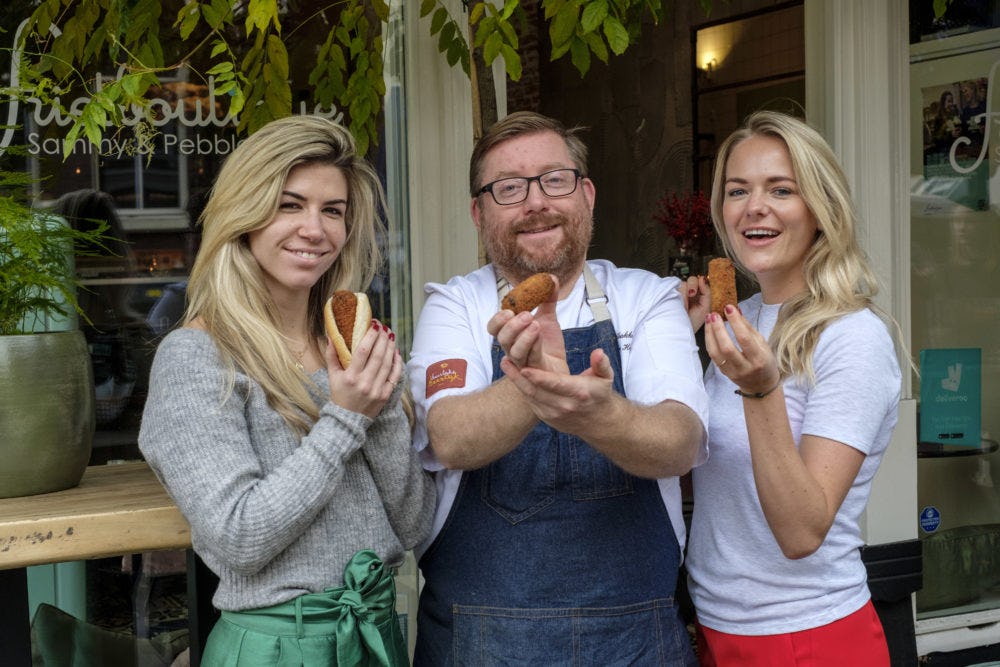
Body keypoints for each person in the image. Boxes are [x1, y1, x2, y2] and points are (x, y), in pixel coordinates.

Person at [406, 111, 709, 665]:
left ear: (586, 196)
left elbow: (679, 441)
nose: (536, 201)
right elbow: (449, 436)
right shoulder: (455, 305)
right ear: (478, 213)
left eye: (555, 179)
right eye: (508, 188)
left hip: (637, 644)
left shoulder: (646, 298)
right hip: (479, 645)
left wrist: (598, 414)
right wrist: (532, 386)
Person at [138, 115, 435, 665]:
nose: (314, 230)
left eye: (333, 211)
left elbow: (415, 523)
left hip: (374, 634)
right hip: (277, 646)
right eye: (289, 205)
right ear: (244, 215)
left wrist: (381, 404)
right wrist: (346, 416)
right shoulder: (196, 356)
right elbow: (238, 538)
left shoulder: (348, 345)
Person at [682, 111, 901, 666]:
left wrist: (761, 392)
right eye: (738, 190)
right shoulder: (740, 320)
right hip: (716, 626)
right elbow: (704, 470)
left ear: (820, 209)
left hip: (806, 635)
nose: (754, 206)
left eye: (781, 189)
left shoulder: (851, 336)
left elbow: (802, 532)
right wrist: (677, 346)